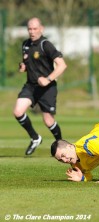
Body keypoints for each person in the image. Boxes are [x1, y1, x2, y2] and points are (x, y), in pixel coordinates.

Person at [13, 17, 67, 155]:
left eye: (35, 28)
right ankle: (35, 138)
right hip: (31, 86)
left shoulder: (45, 45)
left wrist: (48, 79)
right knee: (18, 111)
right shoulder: (25, 44)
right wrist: (23, 67)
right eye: (29, 29)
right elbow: (29, 64)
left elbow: (62, 65)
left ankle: (61, 145)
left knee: (48, 120)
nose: (32, 32)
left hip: (47, 88)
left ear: (41, 29)